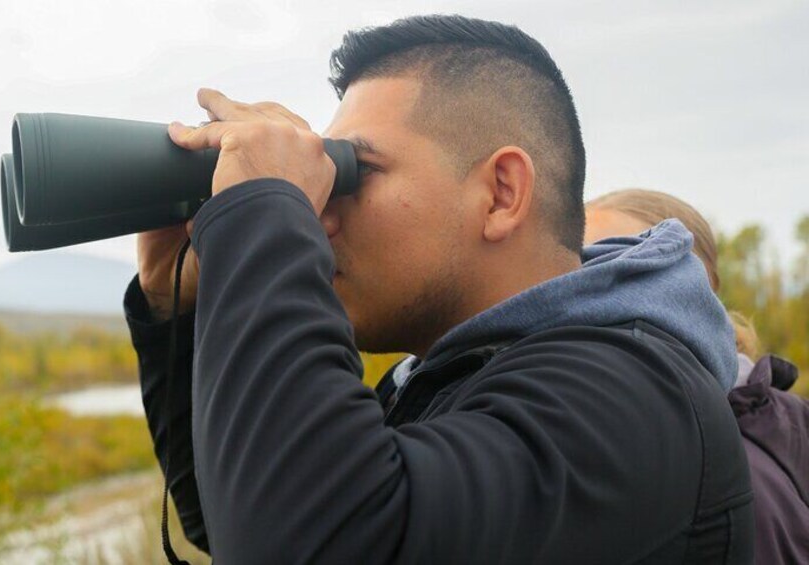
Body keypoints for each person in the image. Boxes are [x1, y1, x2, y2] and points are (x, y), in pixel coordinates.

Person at [125, 15, 754, 564]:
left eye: (356, 171)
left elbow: (306, 542)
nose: (321, 213)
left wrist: (264, 220)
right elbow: (241, 515)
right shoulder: (460, 375)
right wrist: (176, 306)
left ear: (501, 193)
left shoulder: (625, 400)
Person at [585, 188, 809, 565]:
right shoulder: (770, 421)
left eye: (612, 271)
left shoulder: (715, 472)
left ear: (693, 296)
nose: (572, 295)